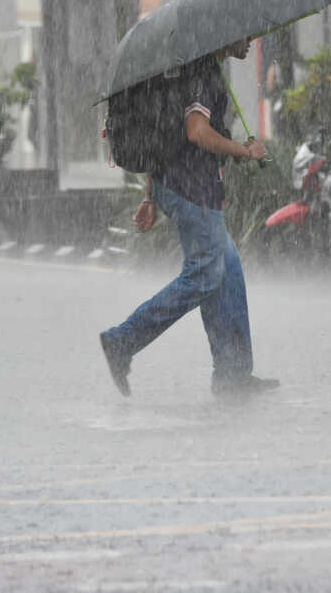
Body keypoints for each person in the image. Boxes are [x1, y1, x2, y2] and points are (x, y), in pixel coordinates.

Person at [99, 37, 280, 400]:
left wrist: (150, 196)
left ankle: (233, 374)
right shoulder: (203, 74)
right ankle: (123, 340)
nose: (250, 41)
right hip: (191, 190)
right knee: (205, 273)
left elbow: (164, 136)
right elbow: (196, 132)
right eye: (245, 34)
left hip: (177, 185)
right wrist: (244, 151)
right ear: (225, 33)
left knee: (225, 268)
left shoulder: (188, 71)